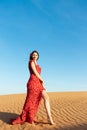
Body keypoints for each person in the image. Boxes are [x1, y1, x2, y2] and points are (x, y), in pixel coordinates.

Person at [11, 50, 54, 125]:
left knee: (47, 98)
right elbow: (35, 73)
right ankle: (30, 119)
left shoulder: (37, 63)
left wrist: (42, 83)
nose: (35, 56)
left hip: (39, 83)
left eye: (36, 55)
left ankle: (49, 117)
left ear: (38, 56)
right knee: (31, 102)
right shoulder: (31, 62)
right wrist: (42, 80)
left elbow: (38, 74)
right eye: (33, 55)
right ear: (31, 55)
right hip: (33, 83)